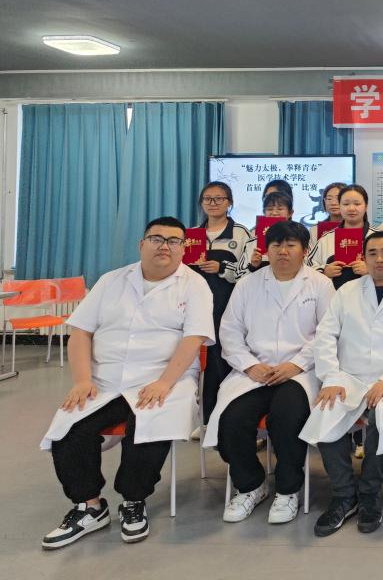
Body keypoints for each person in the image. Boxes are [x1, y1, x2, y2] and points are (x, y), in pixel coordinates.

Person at [40, 217, 214, 549]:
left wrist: (164, 383)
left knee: (148, 427)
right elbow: (80, 332)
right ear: (141, 244)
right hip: (104, 379)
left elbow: (193, 339)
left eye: (174, 241)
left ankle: (134, 501)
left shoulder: (194, 285)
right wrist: (82, 379)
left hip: (165, 376)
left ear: (184, 248)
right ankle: (90, 506)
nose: (164, 246)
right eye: (157, 239)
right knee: (70, 429)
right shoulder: (111, 280)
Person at [300, 231, 383, 535]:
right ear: (363, 258)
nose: (380, 259)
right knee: (325, 412)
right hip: (348, 377)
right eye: (372, 253)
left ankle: (369, 493)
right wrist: (331, 377)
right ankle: (344, 495)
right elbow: (325, 336)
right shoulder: (346, 292)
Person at [203, 221, 334, 525]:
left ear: (304, 251)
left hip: (300, 372)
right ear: (267, 250)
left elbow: (328, 332)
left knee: (287, 418)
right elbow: (230, 330)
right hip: (254, 372)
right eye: (276, 245)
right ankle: (251, 485)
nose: (283, 251)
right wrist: (250, 365)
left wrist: (296, 364)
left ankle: (288, 490)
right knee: (232, 420)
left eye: (290, 245)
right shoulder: (248, 284)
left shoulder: (320, 284)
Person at [188, 181, 252, 429]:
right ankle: (201, 420)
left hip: (226, 307)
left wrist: (222, 268)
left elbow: (249, 272)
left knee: (221, 362)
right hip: (194, 307)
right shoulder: (191, 234)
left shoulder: (242, 233)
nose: (212, 203)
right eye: (207, 199)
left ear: (229, 203)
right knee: (194, 363)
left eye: (219, 199)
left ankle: (222, 418)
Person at [307, 184, 372, 290]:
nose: (351, 208)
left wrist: (372, 270)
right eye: (346, 204)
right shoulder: (326, 238)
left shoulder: (378, 237)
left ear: (366, 206)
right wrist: (324, 271)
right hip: (332, 296)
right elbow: (308, 265)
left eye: (357, 204)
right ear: (340, 206)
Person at [239, 190, 294, 276]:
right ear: (264, 212)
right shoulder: (253, 242)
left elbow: (310, 269)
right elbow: (238, 276)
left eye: (280, 209)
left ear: (290, 213)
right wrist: (253, 266)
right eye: (269, 209)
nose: (274, 213)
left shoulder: (299, 240)